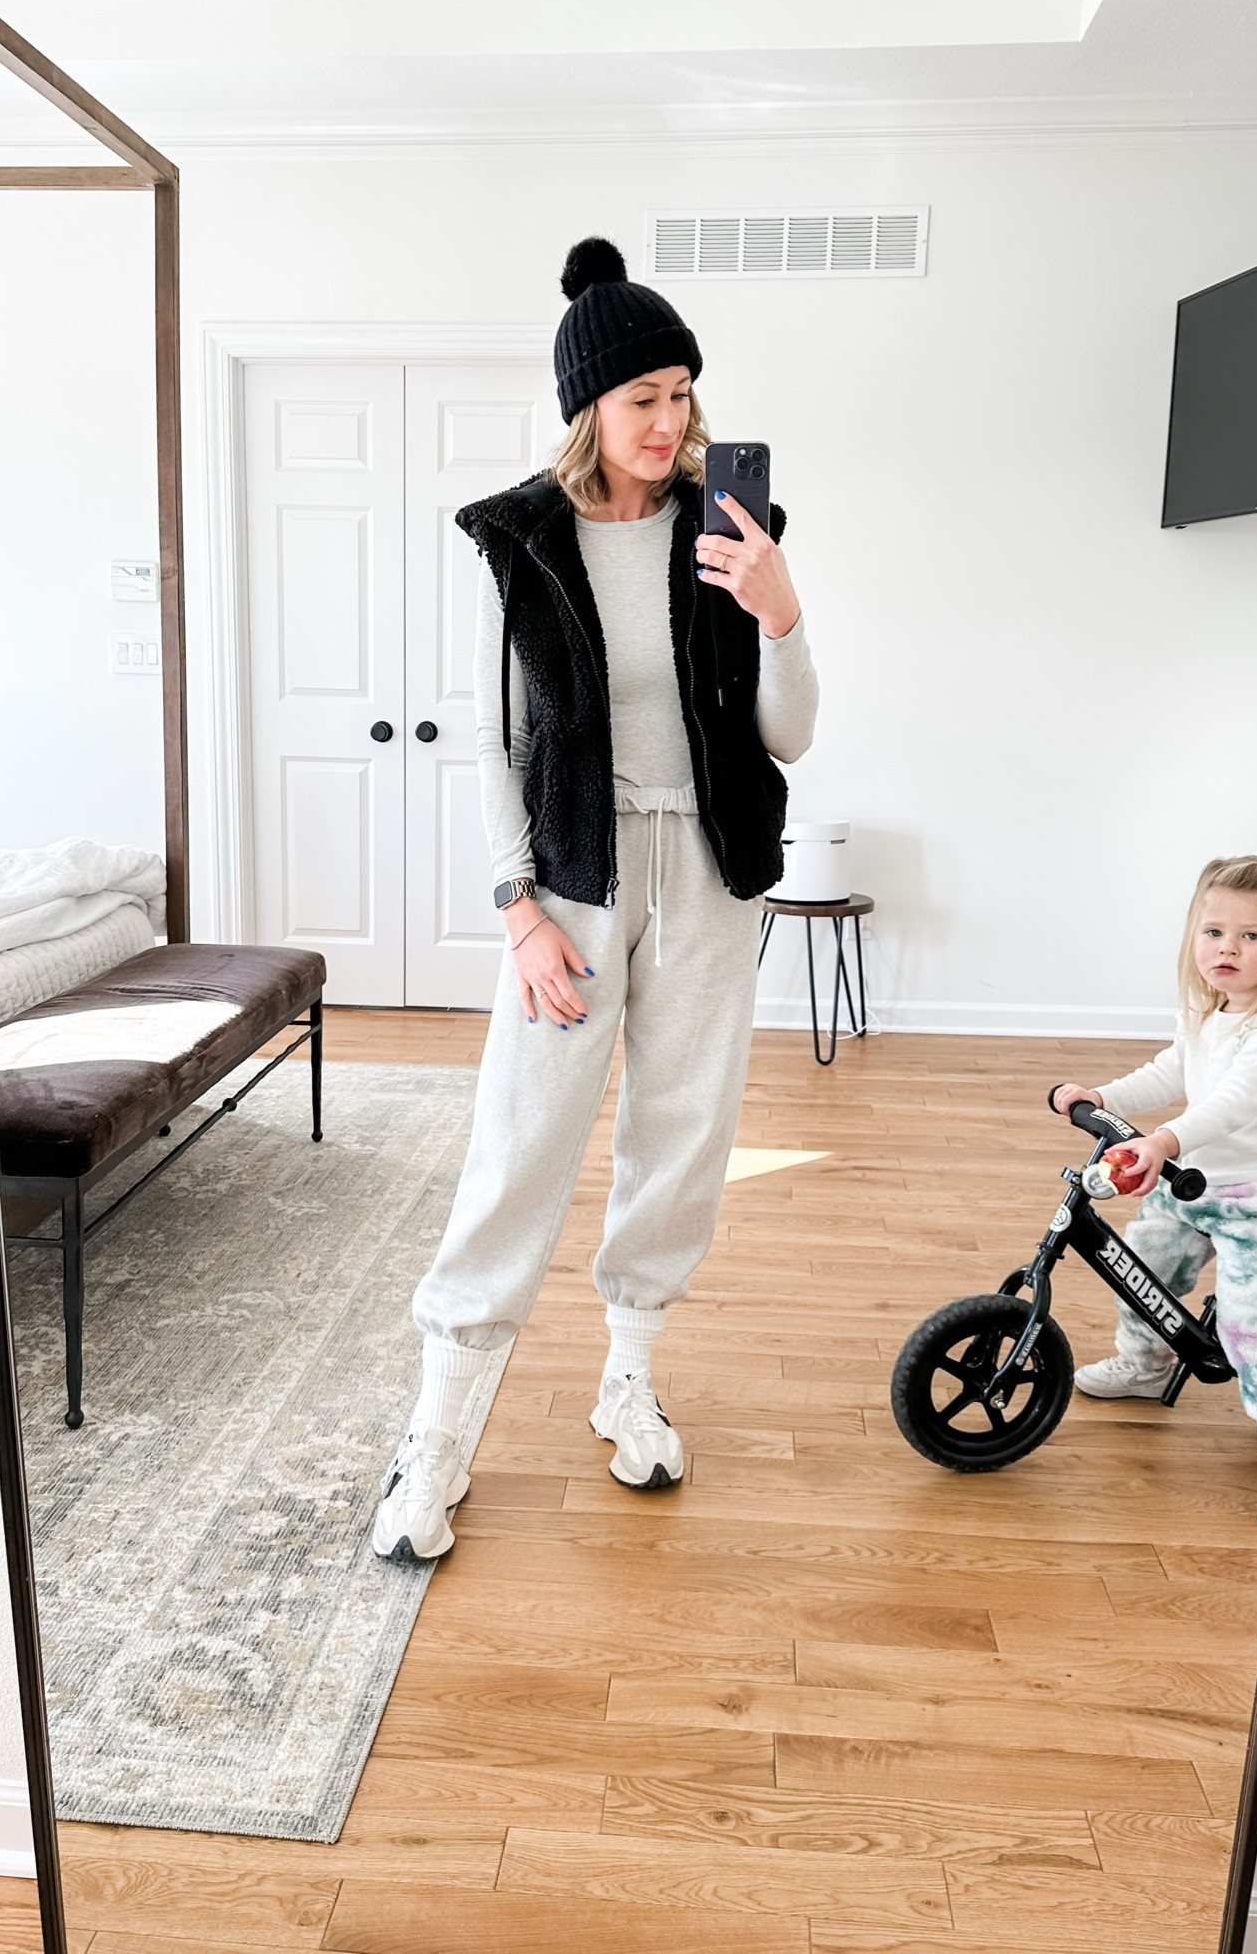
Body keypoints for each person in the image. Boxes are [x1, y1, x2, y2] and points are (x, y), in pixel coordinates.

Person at [373, 236, 818, 1562]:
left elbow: (786, 736)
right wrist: (516, 913)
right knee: (520, 1144)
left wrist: (782, 614)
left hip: (712, 878)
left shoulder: (732, 533)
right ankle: (440, 1426)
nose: (670, 422)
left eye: (683, 395)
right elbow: (494, 736)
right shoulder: (518, 540)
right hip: (571, 883)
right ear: (587, 408)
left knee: (680, 1138)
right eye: (643, 400)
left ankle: (626, 1375)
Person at [1052, 855, 1257, 1533]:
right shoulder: (1208, 1011)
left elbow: (1230, 1104)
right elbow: (1171, 1070)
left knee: (1249, 1325)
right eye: (1213, 932)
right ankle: (1145, 1364)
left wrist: (1163, 1142)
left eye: (1250, 936)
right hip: (1196, 1182)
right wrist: (1102, 1098)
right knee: (1138, 1262)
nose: (1226, 948)